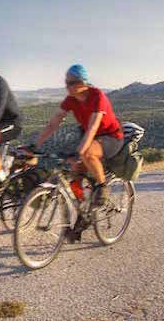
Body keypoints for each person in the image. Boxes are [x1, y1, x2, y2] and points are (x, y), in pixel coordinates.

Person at [31, 64, 124, 240]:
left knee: (87, 153)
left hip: (111, 137)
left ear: (83, 83)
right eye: (66, 82)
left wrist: (81, 150)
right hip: (89, 137)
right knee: (75, 174)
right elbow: (54, 123)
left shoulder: (97, 96)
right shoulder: (71, 99)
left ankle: (102, 187)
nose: (67, 86)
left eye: (71, 82)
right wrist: (35, 145)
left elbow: (93, 126)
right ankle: (83, 212)